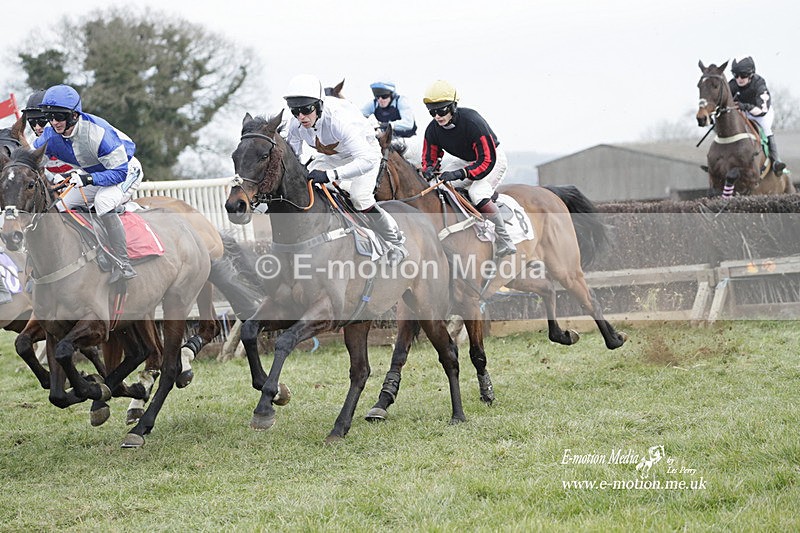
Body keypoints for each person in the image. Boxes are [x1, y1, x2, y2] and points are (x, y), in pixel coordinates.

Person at [283, 74, 407, 265]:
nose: (301, 117)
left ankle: (396, 242)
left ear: (319, 106)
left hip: (366, 155)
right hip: (331, 158)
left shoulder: (338, 120)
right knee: (307, 184)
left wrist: (330, 175)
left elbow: (366, 160)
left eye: (306, 110)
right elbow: (294, 158)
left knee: (359, 197)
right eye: (295, 111)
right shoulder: (296, 124)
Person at [34, 84, 144, 283]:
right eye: (50, 117)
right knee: (60, 206)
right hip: (94, 171)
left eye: (59, 116)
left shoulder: (97, 133)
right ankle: (90, 247)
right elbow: (31, 159)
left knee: (103, 202)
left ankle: (123, 263)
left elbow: (119, 173)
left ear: (74, 115)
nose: (54, 122)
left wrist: (88, 179)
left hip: (126, 170)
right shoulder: (50, 134)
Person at [420, 79, 516, 257]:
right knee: (437, 186)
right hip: (466, 160)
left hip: (492, 159)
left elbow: (486, 161)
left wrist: (460, 173)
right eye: (432, 112)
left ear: (453, 106)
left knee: (477, 193)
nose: (437, 116)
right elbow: (429, 157)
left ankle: (504, 238)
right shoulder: (433, 129)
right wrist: (429, 169)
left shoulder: (472, 122)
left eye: (442, 110)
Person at [729, 56, 787, 177]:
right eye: (736, 75)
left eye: (743, 75)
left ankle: (775, 161)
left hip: (760, 113)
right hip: (743, 112)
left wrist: (745, 106)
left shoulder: (759, 83)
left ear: (751, 74)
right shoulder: (732, 85)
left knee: (766, 129)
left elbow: (762, 110)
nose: (739, 79)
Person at [21, 89, 74, 178]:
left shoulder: (74, 136)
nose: (37, 127)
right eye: (32, 122)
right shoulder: (32, 144)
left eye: (42, 121)